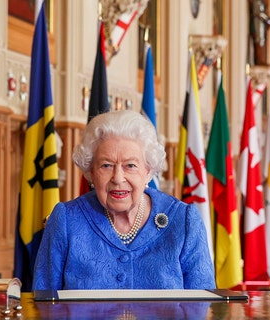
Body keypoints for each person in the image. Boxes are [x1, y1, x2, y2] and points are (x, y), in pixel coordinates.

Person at [33, 110, 216, 291]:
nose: (118, 178)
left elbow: (204, 307)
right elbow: (43, 304)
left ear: (148, 171)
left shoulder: (183, 221)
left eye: (130, 166)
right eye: (106, 165)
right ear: (90, 172)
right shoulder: (66, 220)